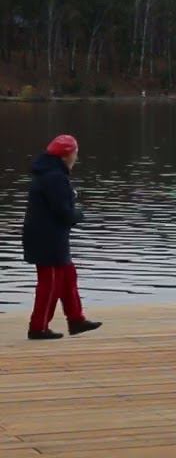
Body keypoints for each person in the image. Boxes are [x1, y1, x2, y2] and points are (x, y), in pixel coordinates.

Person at [24, 134, 102, 340]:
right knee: (49, 283)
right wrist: (79, 215)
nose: (76, 157)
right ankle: (38, 327)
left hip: (50, 236)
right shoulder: (54, 177)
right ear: (66, 155)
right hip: (47, 239)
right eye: (75, 153)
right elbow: (63, 212)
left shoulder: (50, 173)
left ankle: (76, 320)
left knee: (68, 275)